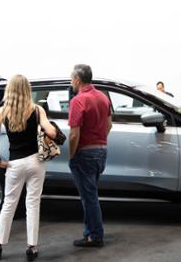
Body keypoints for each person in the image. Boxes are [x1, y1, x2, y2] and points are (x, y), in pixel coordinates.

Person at [0, 74, 56, 261]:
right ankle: (32, 248)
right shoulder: (37, 110)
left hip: (15, 163)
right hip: (35, 162)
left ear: (10, 90)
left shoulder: (3, 112)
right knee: (32, 203)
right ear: (27, 90)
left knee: (9, 204)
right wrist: (46, 130)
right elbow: (52, 132)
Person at [68, 64, 112, 247]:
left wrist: (72, 155)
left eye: (71, 78)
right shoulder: (103, 97)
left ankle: (95, 236)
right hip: (101, 151)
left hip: (84, 153)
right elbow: (109, 125)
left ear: (78, 80)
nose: (71, 82)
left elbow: (74, 134)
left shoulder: (78, 101)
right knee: (90, 195)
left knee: (89, 198)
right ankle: (89, 233)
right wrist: (99, 142)